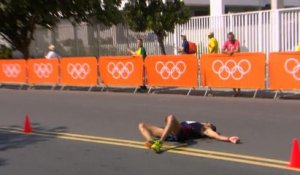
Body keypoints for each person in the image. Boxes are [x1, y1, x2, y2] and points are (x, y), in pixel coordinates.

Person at [138, 114, 240, 152]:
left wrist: (228, 138)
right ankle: (151, 142)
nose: (207, 122)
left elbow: (215, 135)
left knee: (171, 117)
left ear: (210, 127)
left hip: (180, 133)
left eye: (209, 123)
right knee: (142, 125)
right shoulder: (196, 123)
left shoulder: (203, 129)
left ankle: (160, 142)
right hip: (169, 131)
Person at [222, 32, 241, 96]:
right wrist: (227, 52)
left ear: (233, 37)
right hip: (230, 62)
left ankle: (238, 90)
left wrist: (232, 51)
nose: (230, 39)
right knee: (232, 76)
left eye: (231, 38)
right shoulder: (226, 42)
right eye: (229, 38)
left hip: (237, 61)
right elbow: (222, 50)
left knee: (237, 75)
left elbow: (237, 50)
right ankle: (235, 91)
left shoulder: (236, 41)